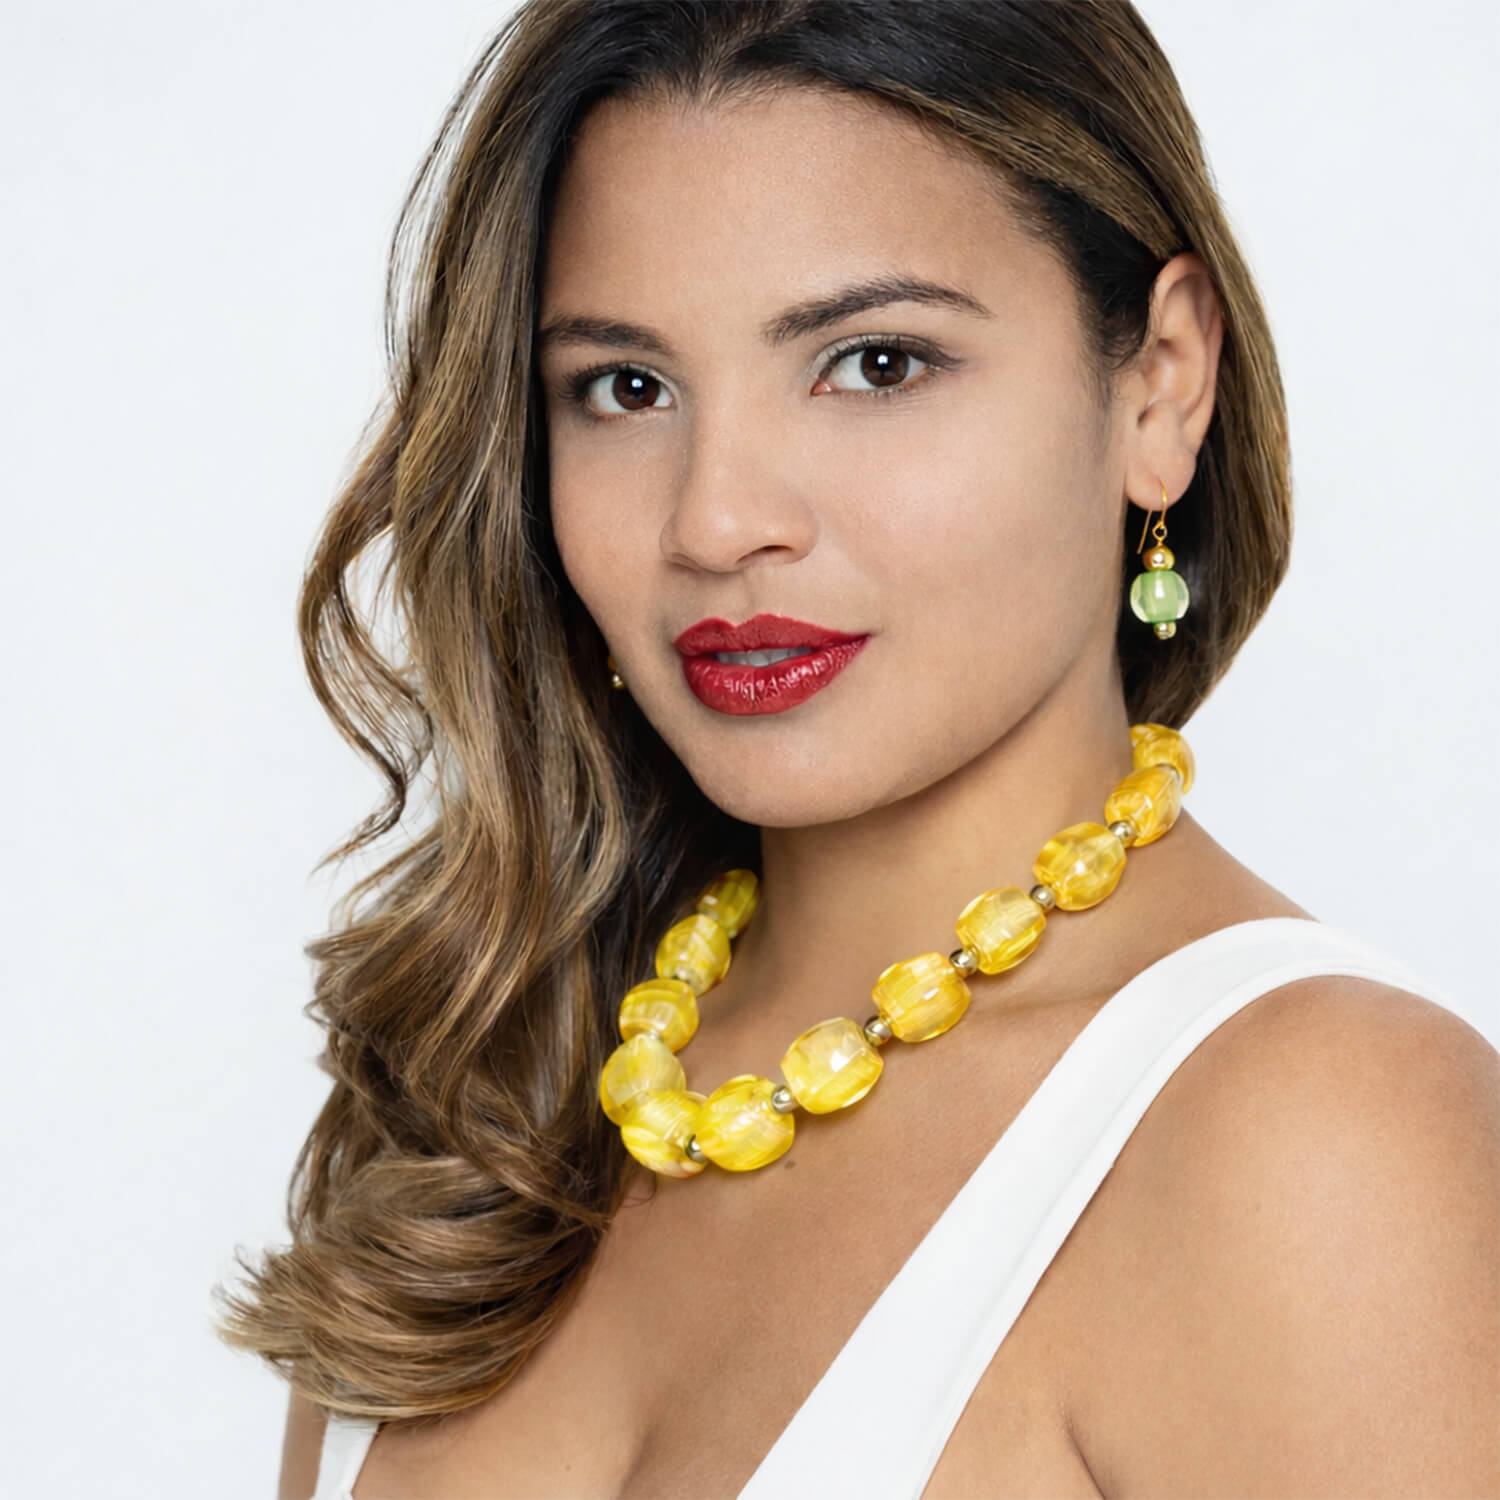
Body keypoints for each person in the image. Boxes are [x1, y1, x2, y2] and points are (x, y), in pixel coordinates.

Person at [212, 2, 1500, 1496]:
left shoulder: (1317, 1137)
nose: (717, 520)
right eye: (626, 388)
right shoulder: (480, 1095)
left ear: (1161, 383)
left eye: (875, 364)